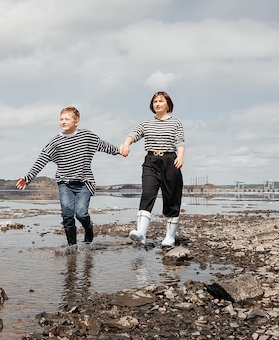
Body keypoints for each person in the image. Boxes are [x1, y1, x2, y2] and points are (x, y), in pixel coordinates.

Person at [16, 106, 121, 246]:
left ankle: (88, 229)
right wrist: (28, 178)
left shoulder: (87, 136)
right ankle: (72, 247)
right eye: (61, 119)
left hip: (84, 183)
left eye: (67, 119)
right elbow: (41, 160)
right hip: (65, 184)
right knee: (67, 215)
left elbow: (103, 145)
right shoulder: (55, 142)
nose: (63, 122)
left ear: (76, 121)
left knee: (81, 214)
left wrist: (119, 150)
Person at [119, 91, 185, 246]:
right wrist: (126, 144)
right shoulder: (146, 123)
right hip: (151, 161)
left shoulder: (176, 123)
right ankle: (141, 233)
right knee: (147, 194)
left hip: (171, 161)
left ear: (167, 104)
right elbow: (133, 134)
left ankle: (170, 237)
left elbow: (180, 142)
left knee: (171, 199)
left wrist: (180, 157)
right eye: (155, 101)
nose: (157, 103)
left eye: (160, 101)